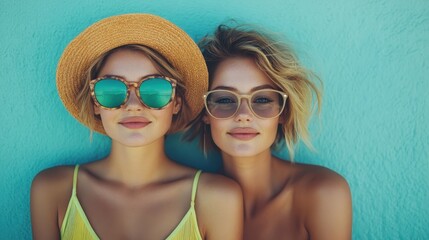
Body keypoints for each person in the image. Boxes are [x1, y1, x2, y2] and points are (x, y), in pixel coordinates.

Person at [30, 14, 243, 240]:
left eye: (154, 89)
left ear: (176, 103)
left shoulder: (217, 199)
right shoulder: (52, 190)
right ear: (95, 103)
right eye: (111, 89)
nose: (133, 105)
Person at [186, 24, 352, 239]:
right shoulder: (190, 204)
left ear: (282, 112)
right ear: (205, 112)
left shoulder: (323, 192)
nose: (243, 115)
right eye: (225, 99)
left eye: (262, 99)